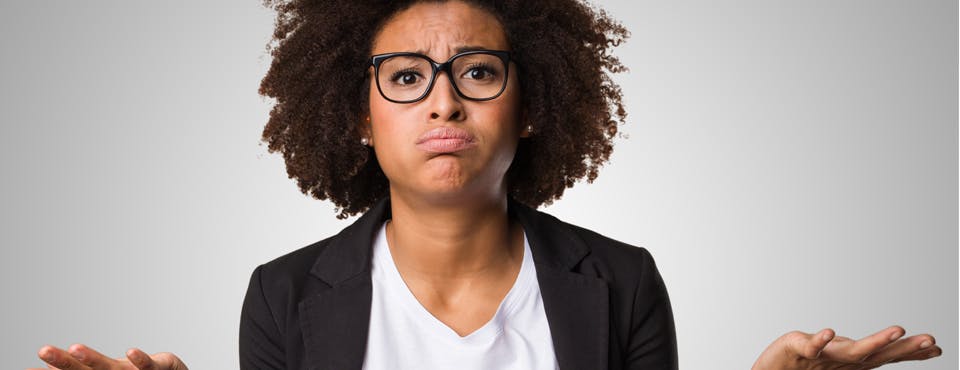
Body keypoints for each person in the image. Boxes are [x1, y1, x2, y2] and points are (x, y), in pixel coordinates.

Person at [29, 0, 942, 369]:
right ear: (358, 114)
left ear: (531, 104)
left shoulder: (622, 282)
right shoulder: (284, 296)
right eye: (406, 76)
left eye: (477, 72)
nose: (444, 103)